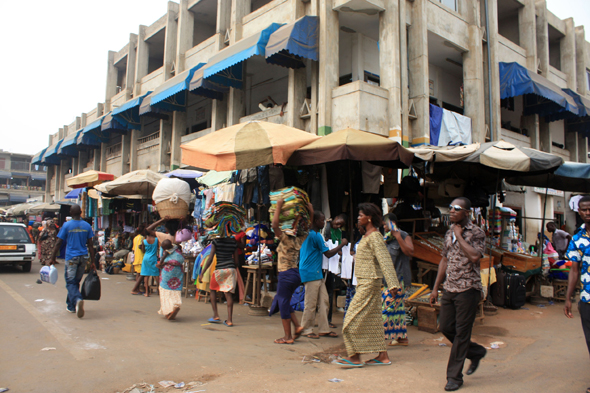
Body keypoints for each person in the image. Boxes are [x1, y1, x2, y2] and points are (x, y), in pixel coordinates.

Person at [429, 197, 487, 392]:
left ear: (467, 213)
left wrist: (460, 236)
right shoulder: (448, 232)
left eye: (456, 208)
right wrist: (436, 287)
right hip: (450, 288)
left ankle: (454, 377)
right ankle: (476, 351)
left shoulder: (477, 232)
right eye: (451, 208)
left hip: (468, 289)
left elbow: (474, 256)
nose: (452, 211)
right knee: (445, 326)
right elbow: (444, 260)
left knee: (462, 333)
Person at [335, 203, 399, 368]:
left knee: (350, 320)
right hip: (363, 281)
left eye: (360, 215)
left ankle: (355, 357)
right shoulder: (366, 235)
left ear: (369, 218)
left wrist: (393, 285)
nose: (358, 218)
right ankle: (382, 356)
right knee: (374, 320)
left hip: (370, 282)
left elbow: (384, 260)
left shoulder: (375, 236)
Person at [299, 210, 347, 339]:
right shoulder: (316, 235)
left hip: (315, 272)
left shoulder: (311, 234)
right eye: (322, 220)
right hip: (311, 272)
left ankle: (324, 328)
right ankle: (306, 329)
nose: (324, 222)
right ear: (315, 221)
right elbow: (328, 254)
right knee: (311, 302)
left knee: (324, 300)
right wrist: (342, 244)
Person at [269, 198, 309, 344]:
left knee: (283, 302)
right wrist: (309, 209)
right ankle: (297, 326)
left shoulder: (286, 238)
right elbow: (308, 226)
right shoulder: (301, 239)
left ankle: (287, 337)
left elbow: (274, 225)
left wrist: (278, 206)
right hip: (295, 274)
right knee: (283, 301)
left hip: (286, 274)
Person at [50, 205, 95, 318]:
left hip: (71, 258)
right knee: (75, 282)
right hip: (83, 257)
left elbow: (58, 243)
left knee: (70, 282)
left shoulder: (67, 225)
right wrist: (93, 261)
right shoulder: (87, 226)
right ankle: (71, 306)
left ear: (70, 212)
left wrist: (52, 258)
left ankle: (77, 299)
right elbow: (90, 245)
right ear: (81, 212)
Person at [564, 195, 590, 393]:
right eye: (583, 209)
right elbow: (574, 270)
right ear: (578, 212)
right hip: (587, 300)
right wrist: (568, 297)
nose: (587, 212)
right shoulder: (577, 238)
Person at [382, 213, 414, 346]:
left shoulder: (404, 235)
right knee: (397, 309)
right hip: (387, 280)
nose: (384, 226)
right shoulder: (385, 238)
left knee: (387, 309)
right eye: (383, 224)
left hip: (399, 279)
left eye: (386, 224)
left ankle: (378, 339)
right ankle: (401, 338)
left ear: (393, 223)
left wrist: (398, 237)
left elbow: (410, 252)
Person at [199, 234, 239, 327]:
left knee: (212, 290)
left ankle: (216, 315)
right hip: (231, 269)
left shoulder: (216, 242)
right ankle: (229, 320)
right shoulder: (233, 242)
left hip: (219, 270)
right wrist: (233, 268)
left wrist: (203, 272)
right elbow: (236, 261)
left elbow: (210, 258)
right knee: (228, 294)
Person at [322, 213, 348, 328]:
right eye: (338, 223)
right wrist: (341, 245)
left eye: (340, 225)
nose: (338, 226)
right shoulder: (325, 227)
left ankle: (328, 319)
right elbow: (327, 248)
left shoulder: (338, 232)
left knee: (330, 291)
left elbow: (336, 249)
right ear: (335, 218)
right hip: (322, 264)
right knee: (321, 292)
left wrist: (346, 254)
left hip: (332, 266)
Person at [157, 239, 184, 320]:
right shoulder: (177, 247)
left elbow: (163, 258)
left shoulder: (167, 251)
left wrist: (160, 263)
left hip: (167, 272)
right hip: (178, 273)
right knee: (175, 290)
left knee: (164, 290)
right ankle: (176, 305)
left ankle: (168, 311)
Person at [138, 231, 159, 297]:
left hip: (146, 258)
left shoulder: (144, 241)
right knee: (156, 275)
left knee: (146, 275)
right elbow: (158, 248)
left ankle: (147, 292)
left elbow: (143, 251)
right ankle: (160, 291)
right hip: (153, 258)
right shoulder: (156, 240)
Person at [129, 226, 146, 294]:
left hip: (136, 257)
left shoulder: (135, 238)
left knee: (138, 274)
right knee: (141, 274)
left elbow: (133, 248)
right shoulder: (141, 237)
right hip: (140, 257)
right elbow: (140, 247)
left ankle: (138, 288)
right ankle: (135, 289)